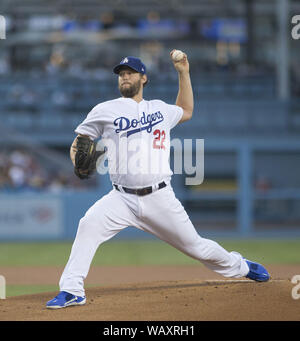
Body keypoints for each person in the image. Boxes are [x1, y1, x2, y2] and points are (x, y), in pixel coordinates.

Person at [46, 52, 270, 309]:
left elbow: (186, 110)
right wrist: (77, 160)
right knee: (88, 225)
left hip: (159, 197)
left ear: (144, 78)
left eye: (130, 72)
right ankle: (72, 290)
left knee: (197, 247)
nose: (125, 77)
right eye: (121, 73)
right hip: (121, 198)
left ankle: (240, 265)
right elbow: (79, 142)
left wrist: (183, 72)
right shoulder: (104, 110)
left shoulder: (160, 109)